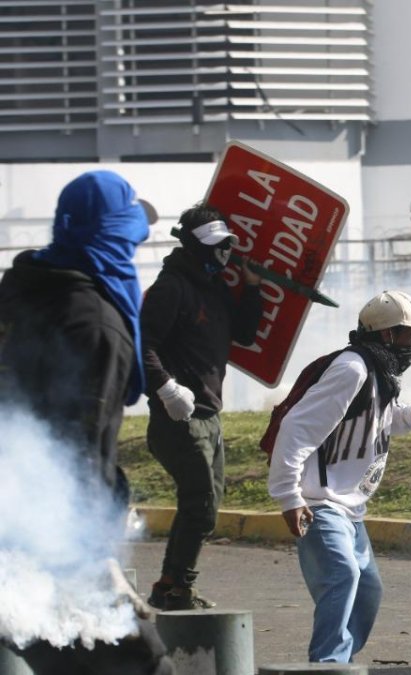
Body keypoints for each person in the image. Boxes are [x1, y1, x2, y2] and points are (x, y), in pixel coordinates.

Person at [0, 170, 173, 674]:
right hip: (48, 541)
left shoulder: (21, 292)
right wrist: (96, 555)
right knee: (143, 667)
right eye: (129, 232)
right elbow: (80, 445)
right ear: (112, 237)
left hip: (14, 532)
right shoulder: (93, 322)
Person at [267, 290, 411, 664]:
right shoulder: (351, 370)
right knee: (342, 576)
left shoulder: (378, 371)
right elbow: (295, 430)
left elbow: (380, 422)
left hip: (351, 509)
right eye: (409, 334)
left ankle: (335, 663)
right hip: (320, 502)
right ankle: (328, 665)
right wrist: (290, 496)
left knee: (367, 593)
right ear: (386, 335)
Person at [141, 204, 264, 611]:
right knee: (201, 506)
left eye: (227, 245)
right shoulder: (171, 287)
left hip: (209, 415)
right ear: (192, 247)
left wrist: (252, 288)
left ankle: (172, 585)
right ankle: (174, 588)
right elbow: (142, 347)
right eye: (215, 246)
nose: (223, 253)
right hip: (178, 417)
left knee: (204, 509)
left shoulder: (215, 288)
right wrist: (166, 389)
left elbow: (245, 333)